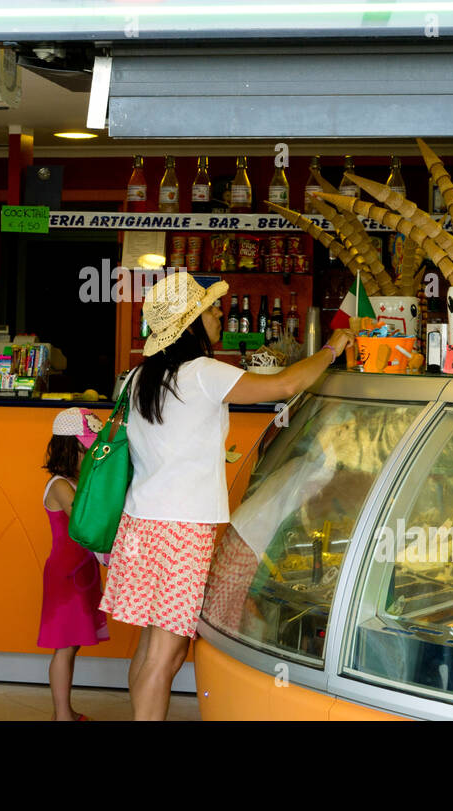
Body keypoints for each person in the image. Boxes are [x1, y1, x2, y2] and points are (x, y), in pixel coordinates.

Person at [99, 271, 353, 720]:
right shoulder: (203, 373)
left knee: (153, 648)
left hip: (141, 525)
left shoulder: (139, 377)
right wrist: (333, 349)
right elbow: (285, 385)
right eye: (211, 309)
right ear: (190, 322)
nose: (219, 315)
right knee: (164, 655)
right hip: (182, 531)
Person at [38, 407, 109, 720]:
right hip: (65, 577)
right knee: (65, 646)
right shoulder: (60, 486)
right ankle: (62, 715)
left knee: (74, 644)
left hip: (84, 574)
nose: (93, 453)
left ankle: (62, 711)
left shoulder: (77, 481)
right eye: (88, 448)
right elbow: (86, 521)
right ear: (69, 448)